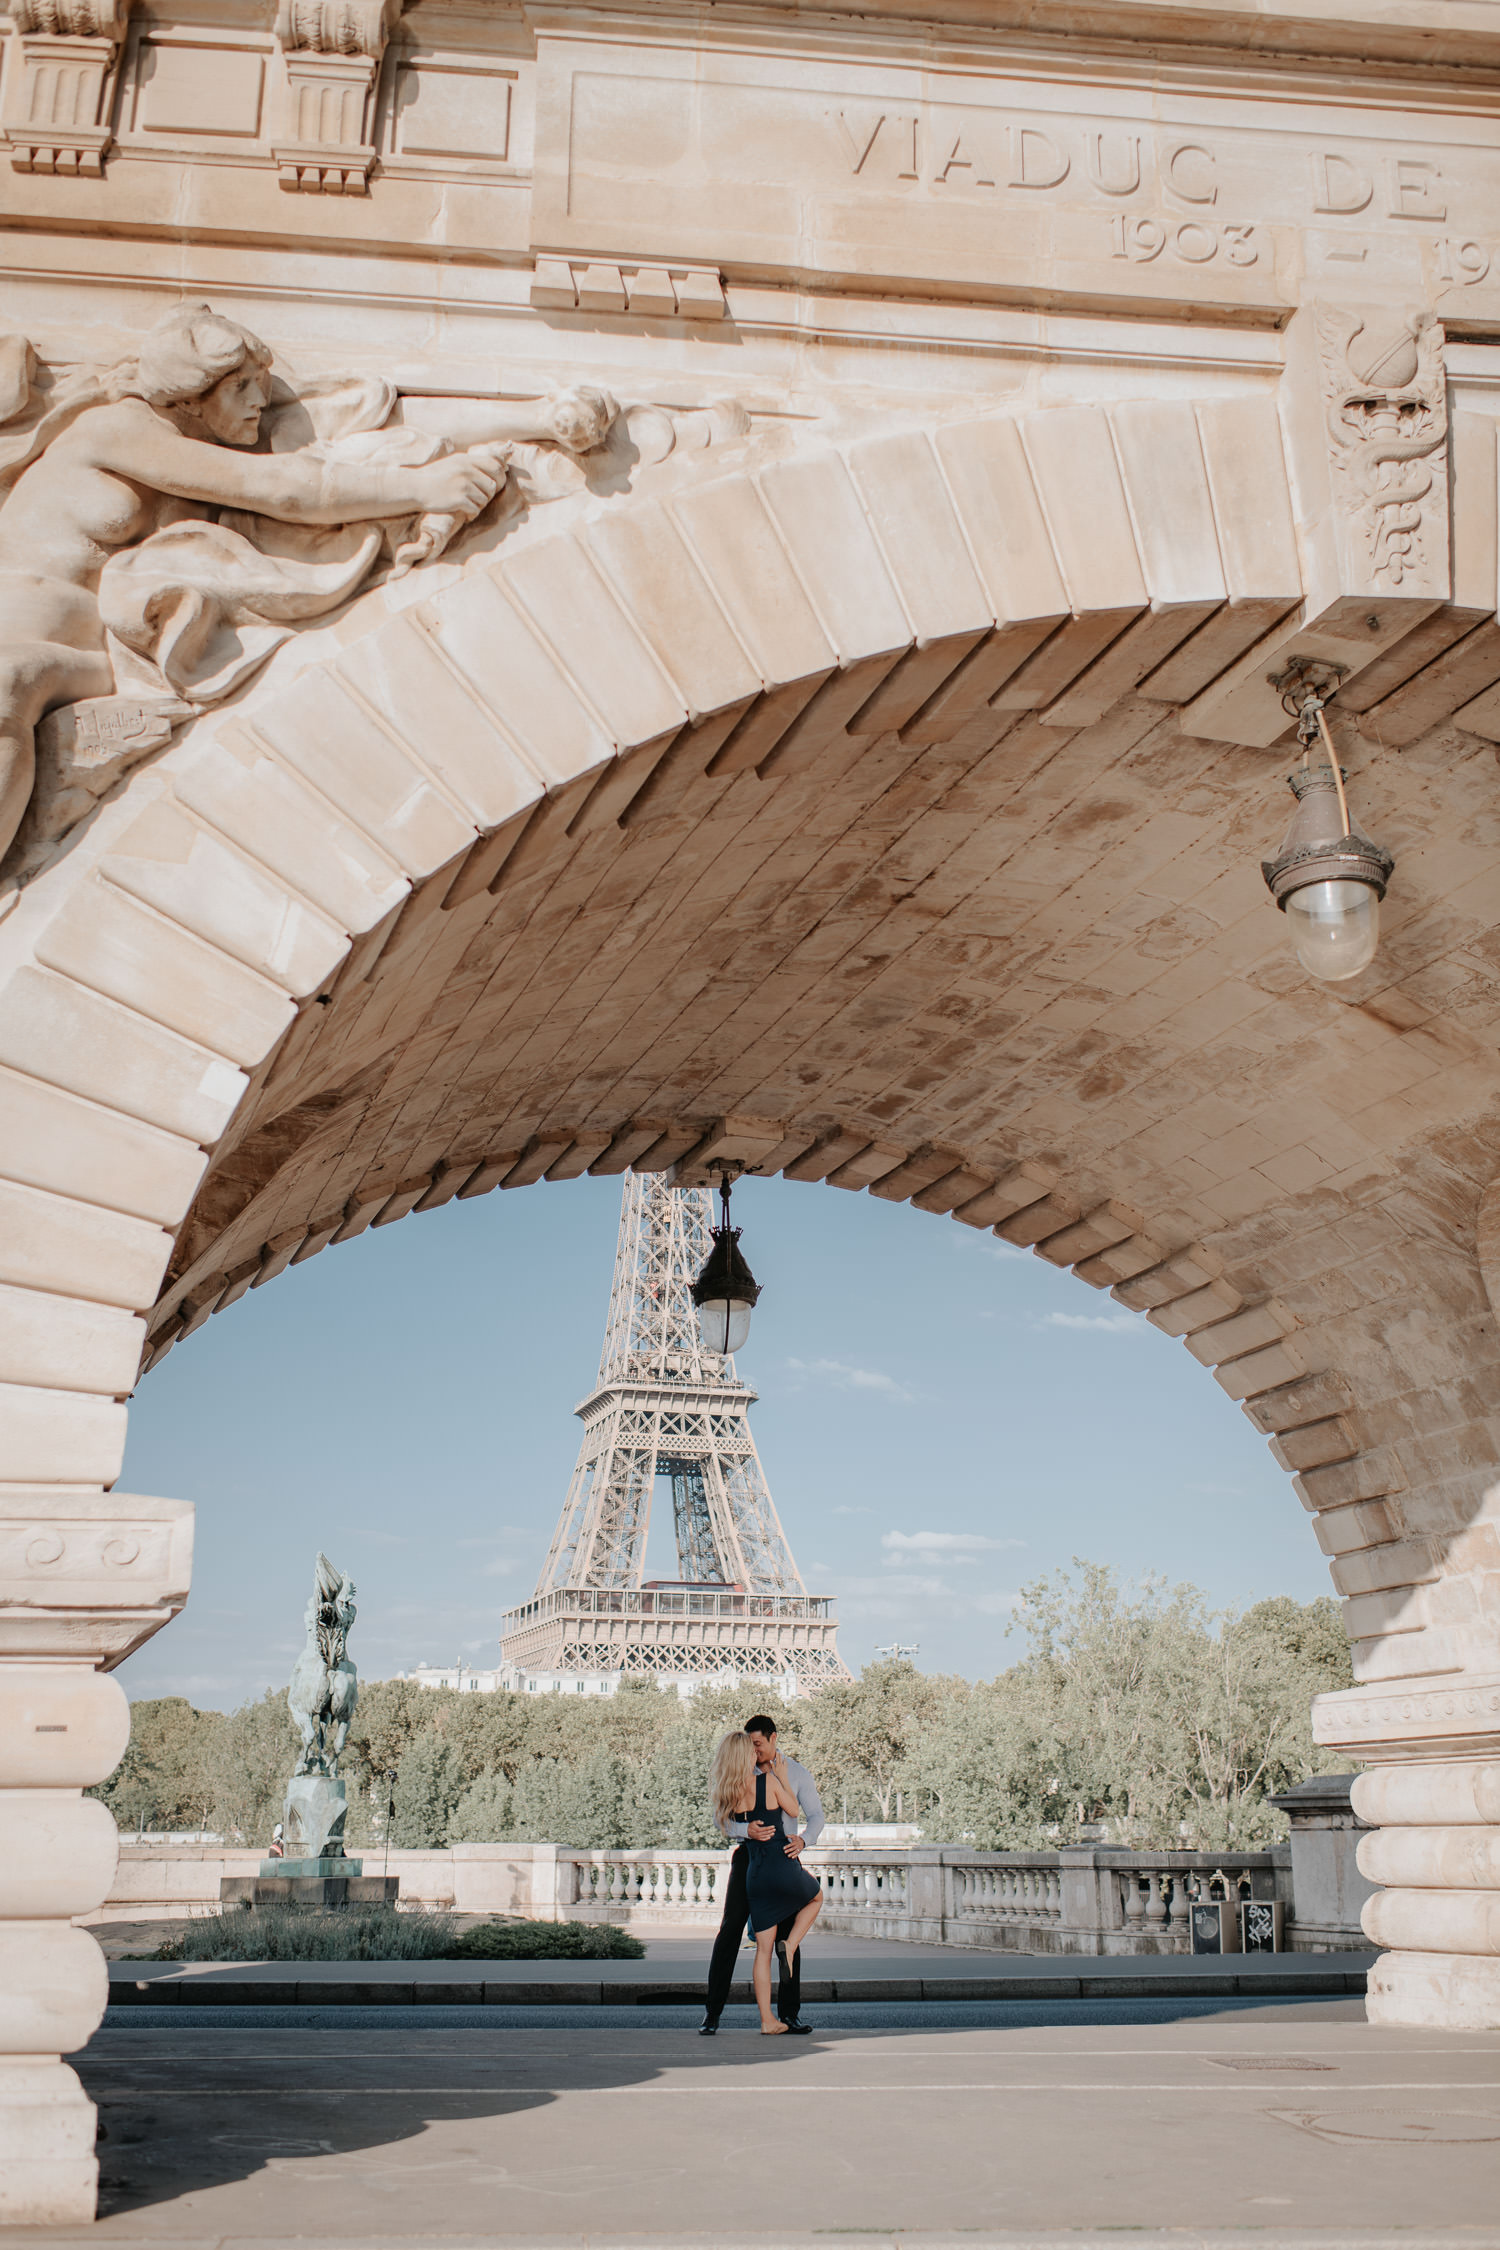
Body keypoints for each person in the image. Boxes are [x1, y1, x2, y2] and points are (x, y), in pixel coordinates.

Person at [702, 1713, 824, 2036]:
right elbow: (722, 1822)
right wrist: (747, 1830)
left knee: (785, 1939)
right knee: (730, 1932)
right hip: (748, 1856)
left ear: (773, 1738)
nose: (754, 1751)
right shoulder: (742, 1773)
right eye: (750, 1745)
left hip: (785, 1855)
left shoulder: (796, 1773)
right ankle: (712, 2014)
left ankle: (789, 2014)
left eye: (758, 1744)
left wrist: (804, 1841)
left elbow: (815, 1817)